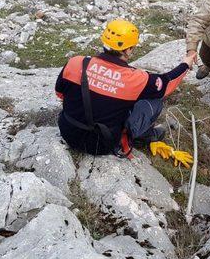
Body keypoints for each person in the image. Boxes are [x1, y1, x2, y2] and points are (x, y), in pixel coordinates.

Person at [56, 19, 196, 157]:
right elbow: (166, 84)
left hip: (68, 132)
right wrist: (185, 64)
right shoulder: (135, 79)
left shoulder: (76, 62)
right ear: (128, 49)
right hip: (102, 144)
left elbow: (60, 93)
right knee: (155, 100)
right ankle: (143, 135)